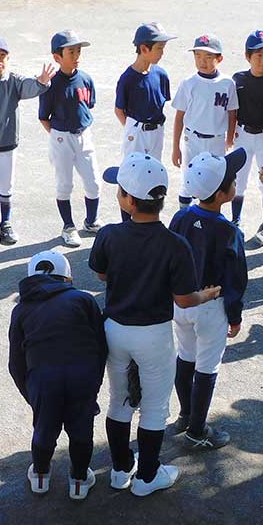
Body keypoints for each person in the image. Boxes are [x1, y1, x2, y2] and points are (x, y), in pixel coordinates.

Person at [90, 152, 221, 497]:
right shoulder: (175, 245)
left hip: (115, 329)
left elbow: (101, 272)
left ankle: (120, 470)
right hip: (154, 334)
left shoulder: (109, 235)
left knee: (119, 399)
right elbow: (183, 299)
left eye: (120, 191)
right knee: (154, 406)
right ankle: (148, 475)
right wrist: (206, 296)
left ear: (130, 201)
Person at [8, 250, 107, 500]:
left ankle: (40, 476)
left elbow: (15, 362)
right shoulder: (83, 300)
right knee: (81, 430)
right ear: (68, 278)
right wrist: (93, 381)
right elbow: (100, 345)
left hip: (42, 379)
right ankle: (79, 480)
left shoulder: (21, 310)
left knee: (44, 429)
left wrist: (30, 392)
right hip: (82, 375)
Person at [170, 149, 248, 450]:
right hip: (210, 307)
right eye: (232, 179)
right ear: (220, 194)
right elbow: (236, 279)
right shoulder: (229, 231)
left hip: (181, 303)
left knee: (186, 356)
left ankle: (185, 414)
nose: (236, 180)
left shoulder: (181, 217)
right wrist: (236, 314)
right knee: (207, 366)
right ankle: (197, 430)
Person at [0, 34, 54, 247]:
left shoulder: (14, 81)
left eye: (3, 55)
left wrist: (42, 82)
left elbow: (31, 87)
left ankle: (5, 223)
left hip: (7, 145)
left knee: (6, 185)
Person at [38, 29, 102, 247]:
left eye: (78, 51)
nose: (76, 55)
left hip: (84, 135)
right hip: (61, 139)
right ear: (57, 57)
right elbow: (43, 117)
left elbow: (88, 105)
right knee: (64, 184)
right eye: (71, 52)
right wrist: (58, 134)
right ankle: (68, 226)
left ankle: (91, 221)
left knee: (93, 182)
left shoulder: (85, 79)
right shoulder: (51, 84)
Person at [171, 34, 239, 209]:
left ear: (219, 59)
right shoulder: (189, 83)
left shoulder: (227, 83)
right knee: (188, 180)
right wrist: (175, 147)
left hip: (217, 140)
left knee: (215, 181)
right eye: (198, 56)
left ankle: (211, 218)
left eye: (208, 57)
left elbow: (232, 113)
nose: (202, 61)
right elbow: (179, 117)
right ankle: (183, 216)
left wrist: (229, 138)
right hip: (192, 139)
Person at [229, 30, 263, 239]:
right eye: (258, 55)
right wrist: (230, 135)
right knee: (239, 180)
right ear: (247, 56)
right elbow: (232, 110)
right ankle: (235, 221)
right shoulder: (238, 79)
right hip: (243, 134)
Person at [114, 23, 176, 164]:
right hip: (137, 133)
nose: (162, 53)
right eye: (159, 48)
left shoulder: (161, 75)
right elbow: (119, 110)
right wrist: (134, 129)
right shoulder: (127, 79)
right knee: (133, 172)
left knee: (154, 171)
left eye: (163, 48)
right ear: (143, 48)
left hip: (157, 133)